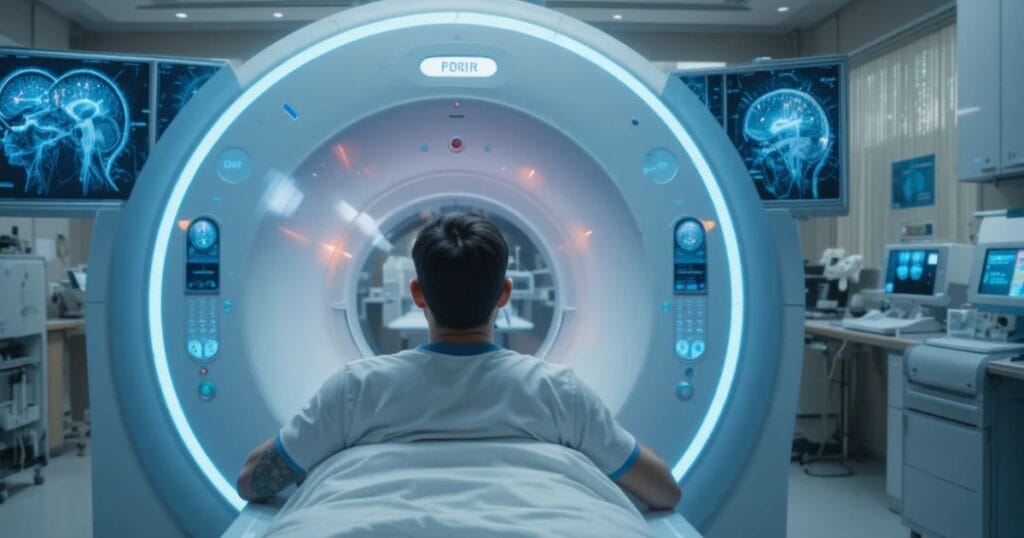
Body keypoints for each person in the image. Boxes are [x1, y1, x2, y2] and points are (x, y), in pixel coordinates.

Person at [236, 211, 681, 512]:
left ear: (417, 294)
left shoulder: (357, 388)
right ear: (505, 293)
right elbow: (663, 491)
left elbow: (253, 481)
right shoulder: (557, 391)